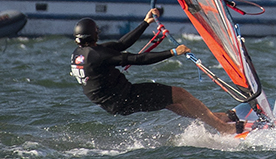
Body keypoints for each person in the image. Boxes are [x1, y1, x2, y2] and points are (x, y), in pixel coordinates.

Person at [70, 12, 238, 134]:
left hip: (114, 102)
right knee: (180, 94)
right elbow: (138, 59)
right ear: (95, 34)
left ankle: (217, 118)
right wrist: (172, 52)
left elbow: (121, 44)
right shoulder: (99, 55)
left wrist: (145, 23)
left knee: (170, 101)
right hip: (124, 97)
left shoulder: (80, 53)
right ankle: (223, 128)